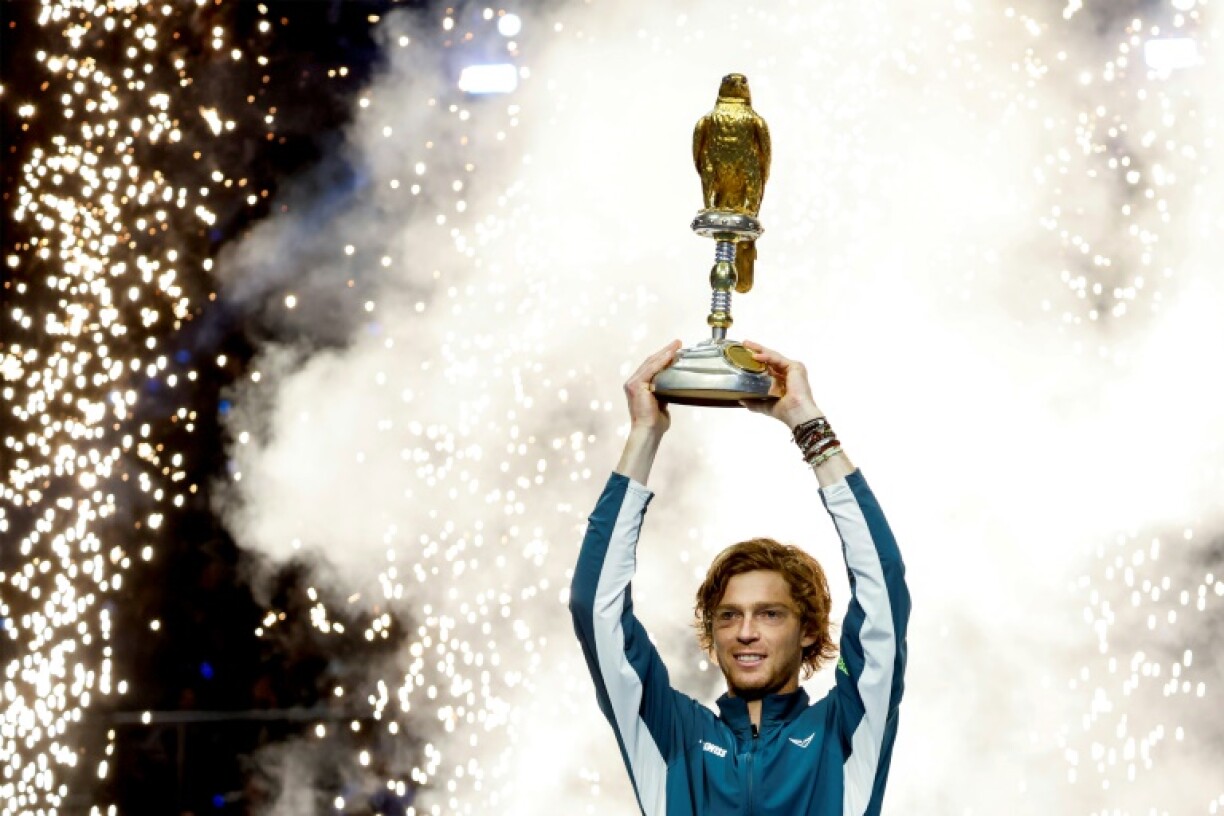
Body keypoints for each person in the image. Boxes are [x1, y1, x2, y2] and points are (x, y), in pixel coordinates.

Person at [569, 340, 910, 816]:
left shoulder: (846, 730)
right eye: (729, 616)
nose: (745, 631)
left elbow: (882, 586)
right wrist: (645, 433)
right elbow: (594, 607)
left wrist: (808, 425)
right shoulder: (671, 737)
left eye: (769, 614)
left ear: (808, 628)